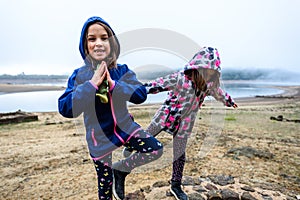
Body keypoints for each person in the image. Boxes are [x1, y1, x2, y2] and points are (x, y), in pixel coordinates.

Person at [58, 16, 163, 200]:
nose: (98, 43)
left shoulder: (122, 71)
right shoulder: (80, 76)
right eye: (92, 39)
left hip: (126, 129)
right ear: (85, 45)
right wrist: (91, 85)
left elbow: (141, 94)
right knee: (105, 191)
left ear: (112, 43)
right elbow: (65, 108)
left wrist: (114, 85)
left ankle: (120, 170)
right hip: (99, 140)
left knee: (155, 149)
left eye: (104, 38)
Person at [123, 46, 238, 200]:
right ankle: (131, 146)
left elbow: (220, 93)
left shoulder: (209, 86)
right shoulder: (180, 78)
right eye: (206, 70)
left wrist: (229, 101)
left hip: (185, 123)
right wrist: (137, 91)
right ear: (198, 67)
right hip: (165, 116)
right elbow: (158, 84)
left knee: (180, 154)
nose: (209, 74)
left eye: (213, 71)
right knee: (146, 136)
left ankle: (176, 184)